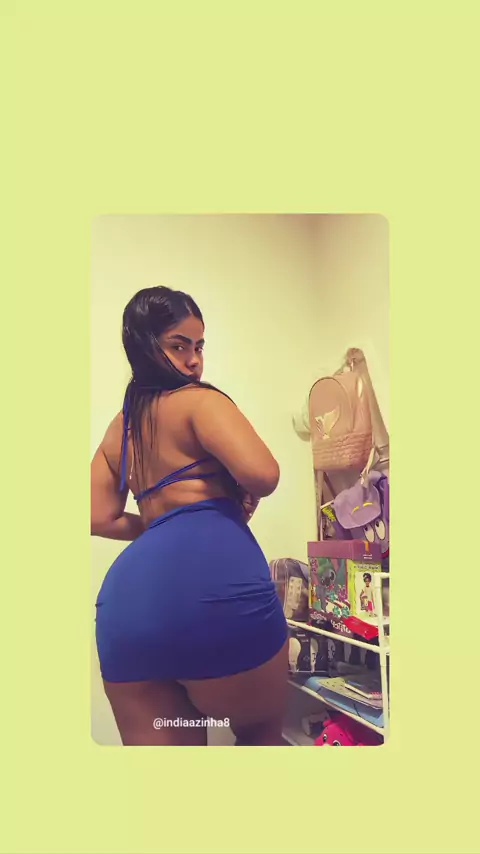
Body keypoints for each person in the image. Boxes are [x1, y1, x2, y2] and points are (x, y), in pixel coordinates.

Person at [91, 286, 288, 745]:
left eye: (199, 346)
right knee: (260, 743)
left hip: (128, 609)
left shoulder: (118, 430)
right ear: (144, 345)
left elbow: (99, 517)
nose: (194, 360)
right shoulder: (200, 401)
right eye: (179, 345)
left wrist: (164, 526)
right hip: (218, 592)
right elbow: (264, 474)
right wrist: (218, 507)